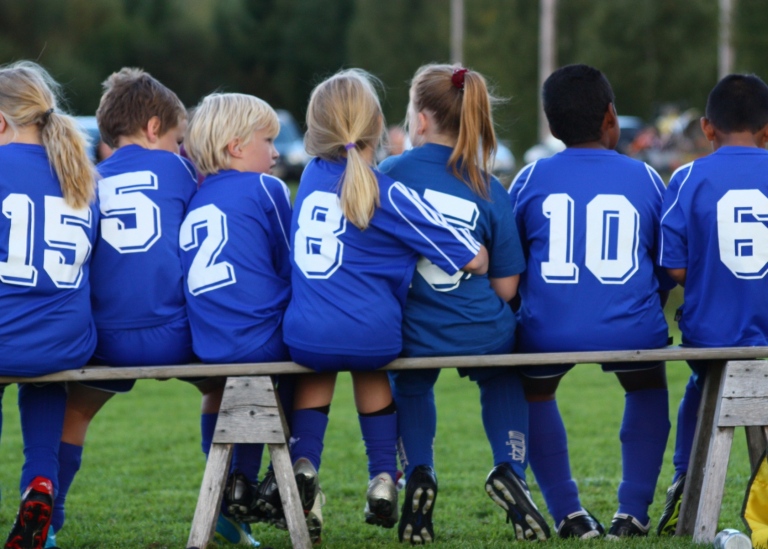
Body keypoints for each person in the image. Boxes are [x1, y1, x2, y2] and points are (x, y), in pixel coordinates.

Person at [281, 68, 489, 543]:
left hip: (305, 334)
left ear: (317, 132)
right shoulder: (386, 192)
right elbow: (466, 254)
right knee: (369, 364)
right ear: (378, 125)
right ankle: (380, 477)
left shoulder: (311, 178)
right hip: (373, 334)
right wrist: (483, 256)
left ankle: (304, 462)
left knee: (322, 362)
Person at [52, 68, 257, 547]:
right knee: (225, 390)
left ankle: (49, 520)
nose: (181, 147)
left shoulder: (90, 179)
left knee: (74, 413)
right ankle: (228, 506)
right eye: (177, 137)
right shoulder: (184, 172)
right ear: (151, 128)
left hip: (107, 338)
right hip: (176, 333)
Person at [379, 64, 546, 544]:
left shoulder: (388, 173)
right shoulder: (488, 186)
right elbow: (508, 288)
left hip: (413, 329)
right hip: (481, 326)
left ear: (422, 119)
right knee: (501, 373)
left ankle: (419, 473)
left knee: (409, 383)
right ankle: (510, 468)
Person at [509, 64, 673, 539]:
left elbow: (512, 260)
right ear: (610, 117)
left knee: (536, 391)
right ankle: (633, 511)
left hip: (548, 329)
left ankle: (568, 513)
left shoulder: (530, 177)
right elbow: (665, 261)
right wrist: (647, 303)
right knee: (645, 386)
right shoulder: (645, 176)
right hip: (631, 326)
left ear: (551, 124)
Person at [656, 73, 768, 536]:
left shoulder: (687, 177)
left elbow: (675, 269)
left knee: (702, 388)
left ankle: (685, 471)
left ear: (706, 128)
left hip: (714, 337)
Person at [180, 92, 295, 528]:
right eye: (268, 140)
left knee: (244, 380)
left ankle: (234, 484)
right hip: (260, 339)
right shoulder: (267, 187)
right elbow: (292, 266)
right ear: (236, 146)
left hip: (209, 344)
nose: (276, 151)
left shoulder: (196, 196)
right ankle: (280, 478)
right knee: (315, 347)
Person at [0, 60, 98, 549]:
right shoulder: (80, 173)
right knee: (43, 383)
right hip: (65, 342)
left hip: (6, 337)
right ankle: (40, 483)